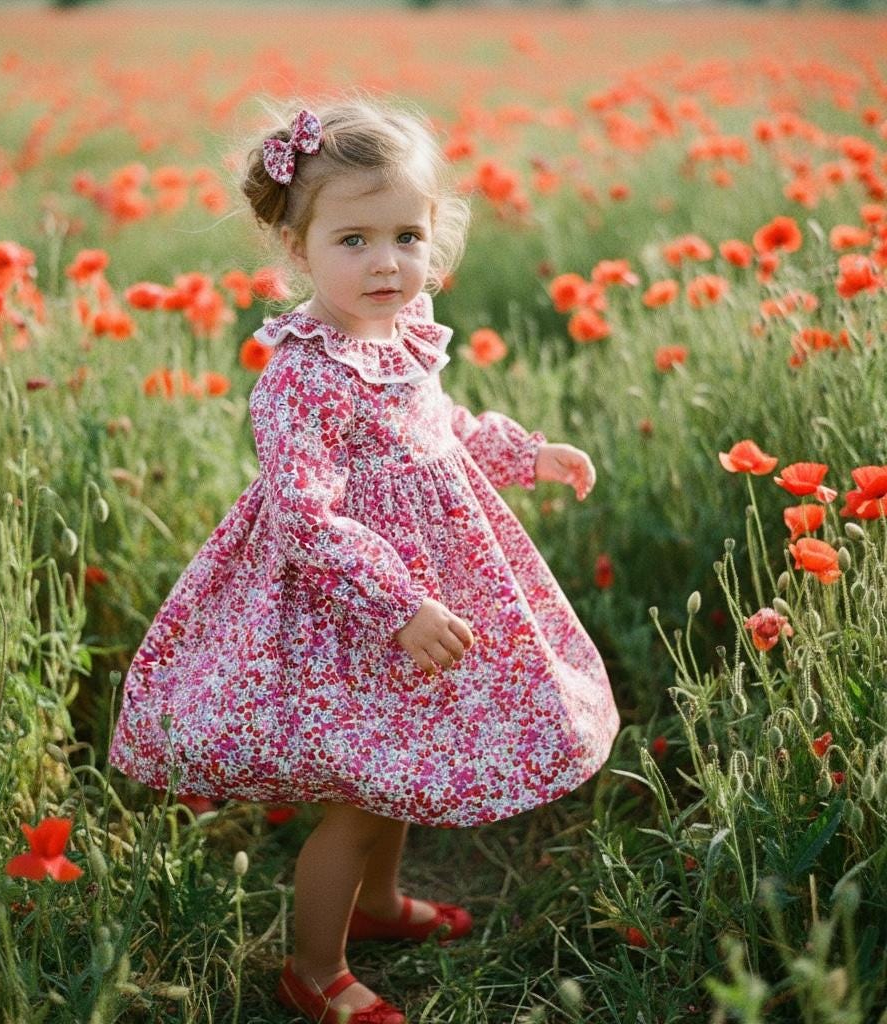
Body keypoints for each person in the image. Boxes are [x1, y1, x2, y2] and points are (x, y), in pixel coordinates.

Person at [108, 95, 621, 1024]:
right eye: (353, 240)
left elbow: (443, 430)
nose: (388, 262)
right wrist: (399, 605)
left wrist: (524, 453)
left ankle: (380, 908)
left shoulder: (404, 331)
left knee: (404, 756)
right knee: (359, 788)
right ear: (294, 250)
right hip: (346, 606)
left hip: (425, 586)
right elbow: (307, 518)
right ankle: (314, 965)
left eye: (407, 235)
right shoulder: (303, 374)